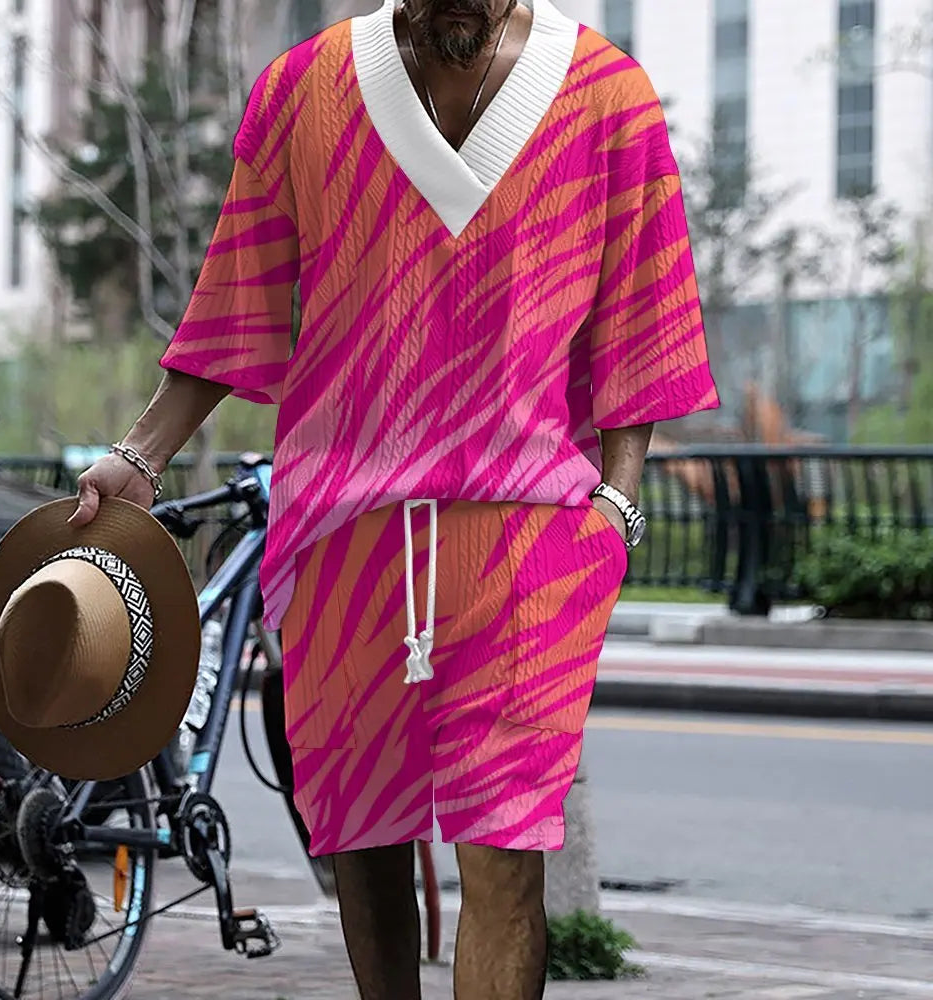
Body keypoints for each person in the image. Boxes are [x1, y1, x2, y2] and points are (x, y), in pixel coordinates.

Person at [69, 1, 719, 997]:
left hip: (529, 535)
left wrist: (616, 509)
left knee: (505, 848)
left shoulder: (607, 96)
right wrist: (140, 454)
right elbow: (235, 296)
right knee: (361, 842)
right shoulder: (301, 91)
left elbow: (642, 313)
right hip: (341, 534)